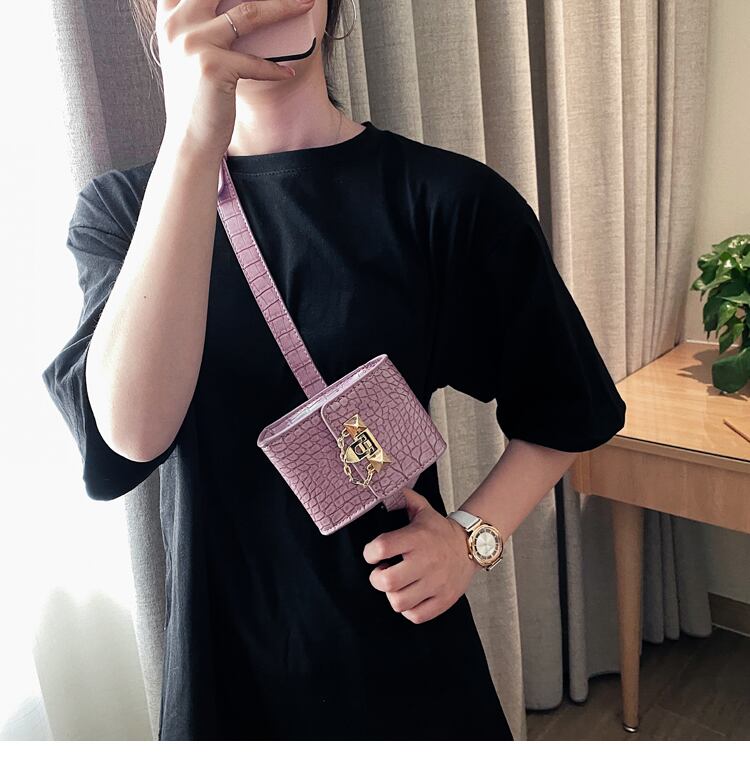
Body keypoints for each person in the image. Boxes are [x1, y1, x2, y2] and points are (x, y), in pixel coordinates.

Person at [41, 0, 626, 741]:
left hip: (403, 665)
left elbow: (567, 405)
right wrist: (191, 141)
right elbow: (129, 436)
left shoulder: (446, 199)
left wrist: (470, 538)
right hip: (225, 679)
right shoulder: (123, 215)